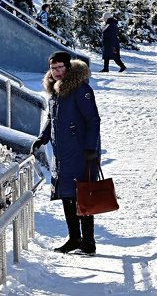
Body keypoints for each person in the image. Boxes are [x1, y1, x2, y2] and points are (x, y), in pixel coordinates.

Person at [31, 52, 101, 255]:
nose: (56, 71)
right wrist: (43, 137)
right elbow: (51, 118)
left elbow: (93, 119)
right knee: (67, 194)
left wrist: (90, 148)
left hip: (81, 152)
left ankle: (88, 242)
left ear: (68, 68)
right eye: (53, 68)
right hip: (62, 153)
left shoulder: (80, 89)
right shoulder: (55, 90)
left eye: (60, 67)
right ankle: (74, 238)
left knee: (82, 195)